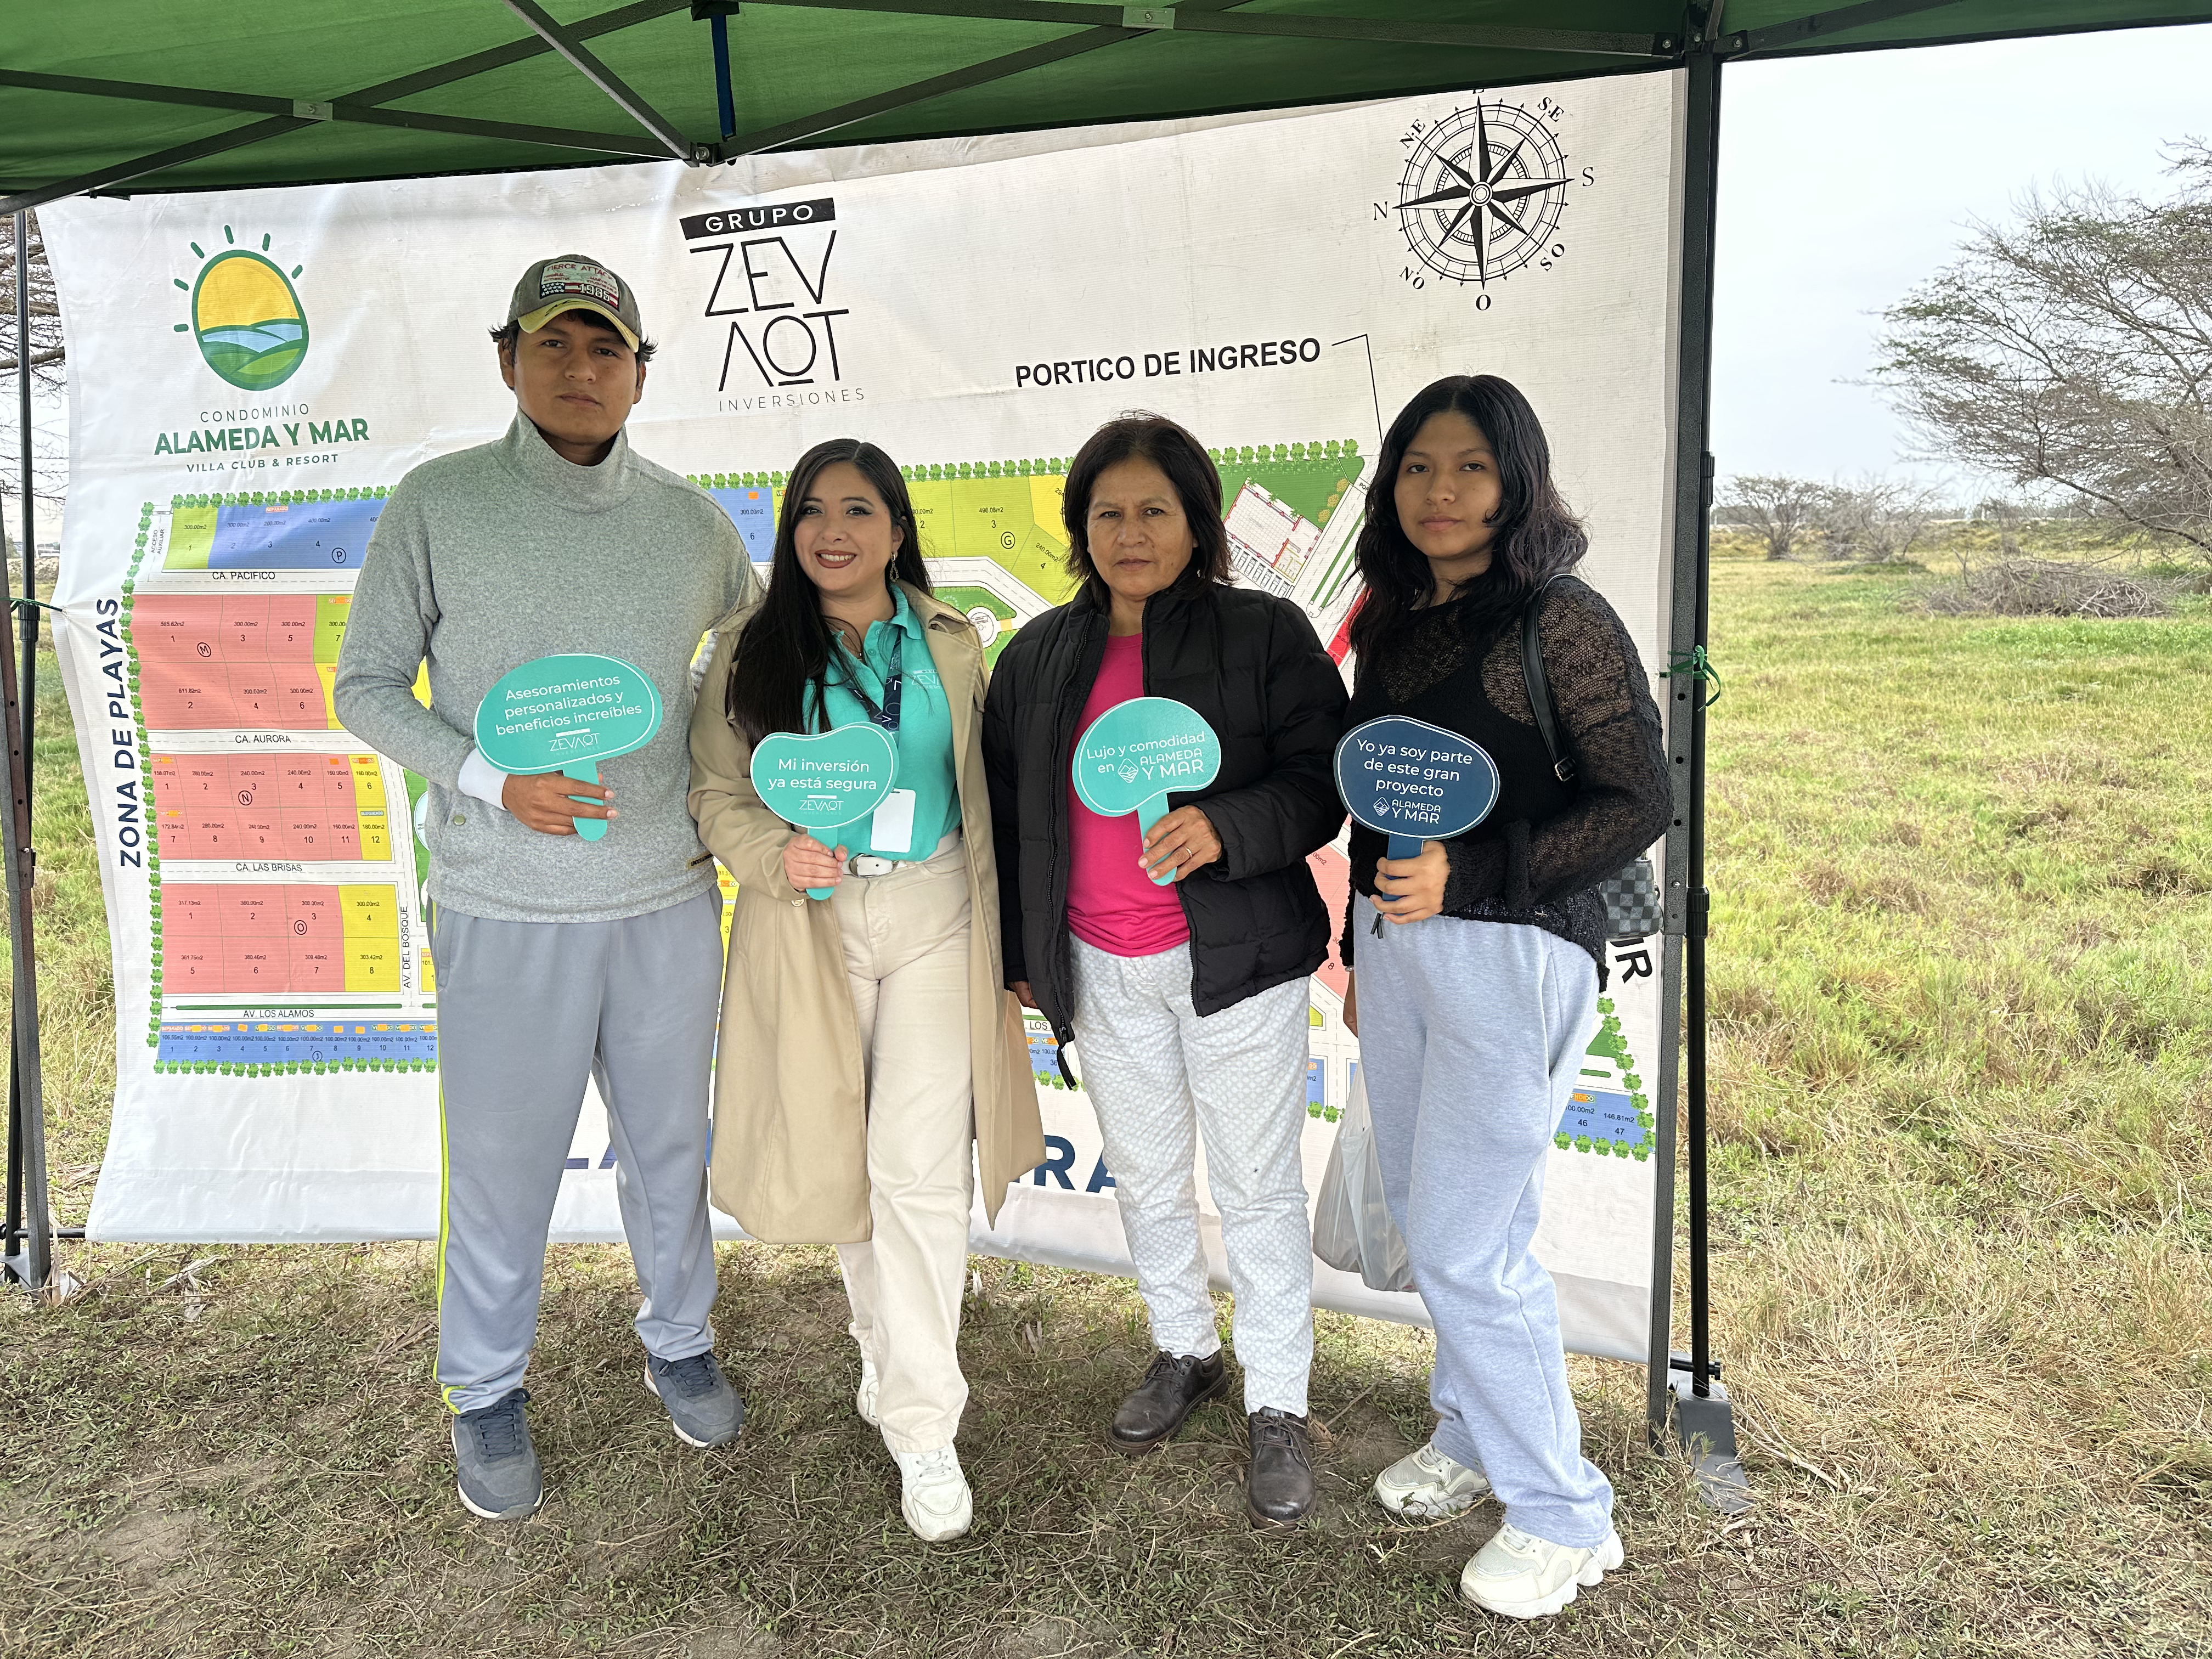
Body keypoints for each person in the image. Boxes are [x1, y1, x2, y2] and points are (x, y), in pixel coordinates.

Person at [334, 256, 758, 1522]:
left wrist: (723, 718)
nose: (582, 369)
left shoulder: (693, 526)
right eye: (555, 344)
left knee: (671, 1147)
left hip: (666, 896)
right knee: (504, 1163)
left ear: (641, 372)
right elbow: (364, 687)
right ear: (507, 359)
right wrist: (485, 777)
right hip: (505, 903)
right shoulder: (437, 504)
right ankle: (484, 1388)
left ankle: (681, 1337)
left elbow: (753, 663)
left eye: (606, 348)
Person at [1338, 374, 1670, 1618]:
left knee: (1468, 1243)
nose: (1441, 491)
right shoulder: (1390, 616)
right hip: (1400, 948)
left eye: (1471, 467)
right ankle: (1473, 1432)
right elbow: (1378, 798)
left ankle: (1564, 1515)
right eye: (1418, 467)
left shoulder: (1559, 617)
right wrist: (1363, 943)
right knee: (1442, 1215)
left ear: (1516, 481)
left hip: (1514, 952)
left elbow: (1640, 802)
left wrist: (1471, 875)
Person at [983, 414, 1348, 1527]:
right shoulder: (1037, 656)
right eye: (1109, 513)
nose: (1131, 533)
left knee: (1255, 1186)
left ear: (1198, 522)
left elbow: (1322, 781)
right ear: (1079, 526)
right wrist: (1024, 958)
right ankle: (1185, 1348)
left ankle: (1278, 1398)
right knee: (1143, 1176)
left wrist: (1227, 826)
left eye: (1156, 510)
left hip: (1235, 965)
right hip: (1098, 966)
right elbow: (1009, 819)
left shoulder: (1264, 633)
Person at [689, 438, 1043, 1544]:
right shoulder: (749, 647)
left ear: (897, 528)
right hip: (811, 921)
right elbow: (714, 795)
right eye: (810, 511)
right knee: (847, 1155)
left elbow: (988, 788)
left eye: (856, 510)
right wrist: (772, 853)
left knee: (918, 1171)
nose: (831, 532)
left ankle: (925, 1423)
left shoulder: (951, 642)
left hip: (936, 912)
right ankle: (882, 1344)